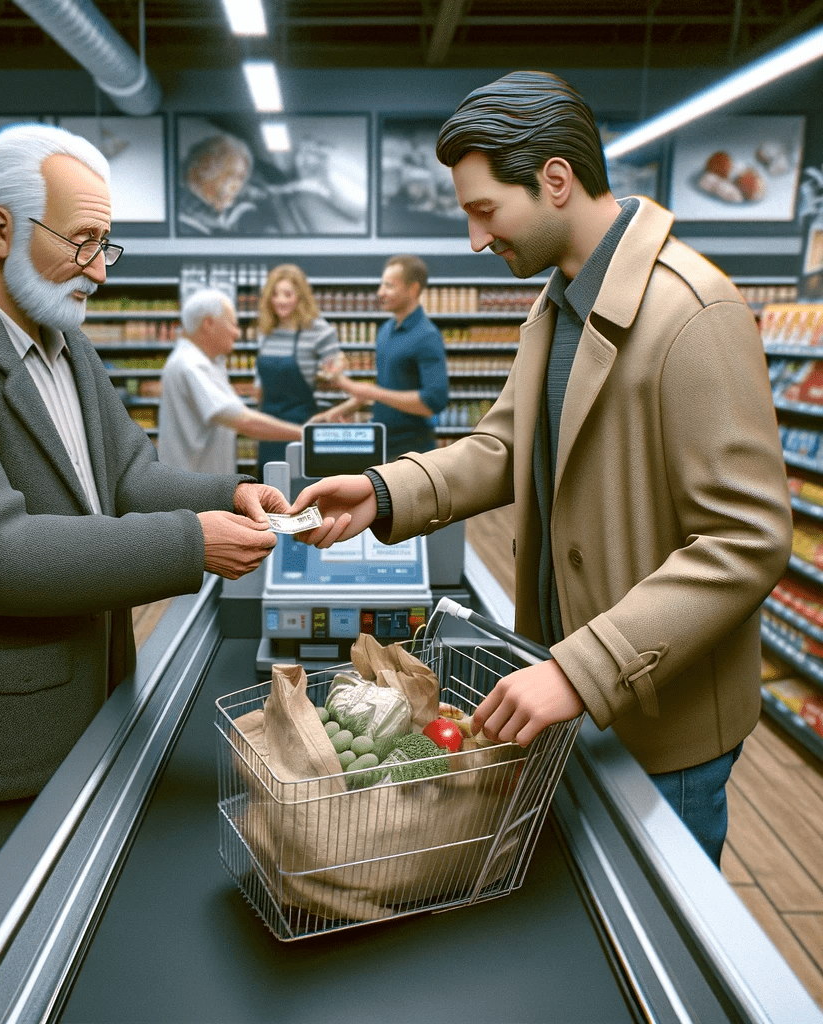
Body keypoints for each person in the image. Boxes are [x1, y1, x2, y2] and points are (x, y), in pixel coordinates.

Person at [287, 71, 793, 867]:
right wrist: (385, 491)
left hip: (659, 722)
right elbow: (500, 449)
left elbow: (747, 539)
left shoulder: (694, 313)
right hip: (565, 692)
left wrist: (583, 667)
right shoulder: (554, 306)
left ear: (555, 179)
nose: (476, 240)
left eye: (485, 210)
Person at [0, 124, 288, 933]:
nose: (98, 271)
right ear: (1, 229)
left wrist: (240, 490)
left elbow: (127, 479)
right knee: (5, 947)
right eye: (82, 242)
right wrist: (194, 544)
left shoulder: (64, 346)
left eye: (105, 245)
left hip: (94, 696)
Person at [315, 254, 449, 459]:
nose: (380, 293)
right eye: (381, 285)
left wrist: (372, 391)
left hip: (414, 450)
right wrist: (347, 407)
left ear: (412, 289)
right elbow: (390, 386)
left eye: (389, 286)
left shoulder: (427, 336)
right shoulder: (386, 331)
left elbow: (433, 403)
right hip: (383, 444)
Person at [158, 287, 303, 474]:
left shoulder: (206, 362)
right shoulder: (191, 365)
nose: (237, 333)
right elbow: (243, 421)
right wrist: (304, 434)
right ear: (209, 323)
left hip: (198, 486)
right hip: (194, 492)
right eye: (233, 324)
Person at [254, 263, 343, 477]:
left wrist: (334, 369)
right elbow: (260, 385)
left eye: (287, 294)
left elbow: (337, 367)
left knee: (301, 490)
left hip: (302, 429)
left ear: (301, 296)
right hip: (268, 429)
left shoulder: (318, 330)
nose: (280, 300)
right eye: (274, 294)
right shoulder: (266, 332)